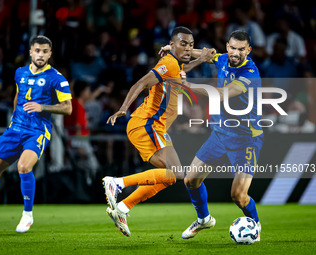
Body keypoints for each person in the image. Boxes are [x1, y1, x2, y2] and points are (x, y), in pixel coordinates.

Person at [103, 26, 215, 237]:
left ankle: (123, 208)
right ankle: (117, 183)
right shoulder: (168, 63)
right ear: (172, 44)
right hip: (147, 124)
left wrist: (198, 60)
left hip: (157, 127)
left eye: (191, 45)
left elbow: (181, 72)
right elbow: (141, 83)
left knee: (170, 176)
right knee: (176, 173)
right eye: (183, 44)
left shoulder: (175, 65)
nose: (188, 48)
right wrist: (123, 108)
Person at [171, 30, 263, 240]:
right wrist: (175, 48)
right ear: (227, 46)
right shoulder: (223, 59)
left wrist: (187, 84)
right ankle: (204, 219)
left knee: (238, 196)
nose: (236, 53)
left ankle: (255, 227)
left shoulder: (249, 73)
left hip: (246, 139)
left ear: (248, 50)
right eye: (232, 48)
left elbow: (222, 94)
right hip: (220, 134)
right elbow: (201, 54)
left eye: (241, 49)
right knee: (190, 180)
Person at [0, 35, 72, 233]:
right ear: (30, 52)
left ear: (50, 54)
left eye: (45, 51)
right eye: (37, 50)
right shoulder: (20, 72)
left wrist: (42, 106)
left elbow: (68, 108)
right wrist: (13, 121)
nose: (41, 55)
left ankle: (27, 215)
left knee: (23, 166)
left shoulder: (57, 78)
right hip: (15, 129)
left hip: (37, 130)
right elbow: (17, 97)